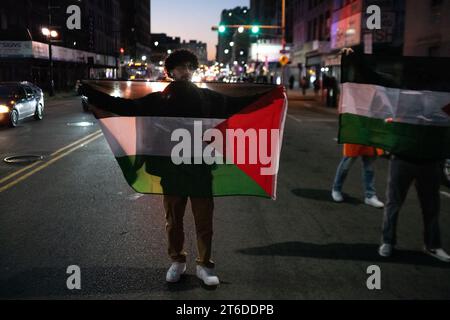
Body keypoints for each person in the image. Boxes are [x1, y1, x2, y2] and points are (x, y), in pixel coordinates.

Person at [82, 49, 266, 286]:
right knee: (173, 220)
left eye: (190, 67)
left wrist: (269, 95)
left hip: (200, 168)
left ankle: (205, 265)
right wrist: (90, 93)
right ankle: (177, 261)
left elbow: (237, 104)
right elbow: (125, 107)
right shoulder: (160, 99)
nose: (186, 71)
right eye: (180, 67)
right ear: (170, 71)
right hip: (171, 170)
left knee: (204, 222)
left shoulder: (207, 98)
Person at [378, 154, 450, 262]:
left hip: (430, 161)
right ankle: (387, 241)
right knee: (393, 204)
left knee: (431, 206)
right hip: (402, 158)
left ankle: (432, 246)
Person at [332, 144, 385, 208]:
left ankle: (370, 195)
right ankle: (336, 189)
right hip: (355, 138)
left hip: (370, 137)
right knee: (346, 164)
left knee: (369, 167)